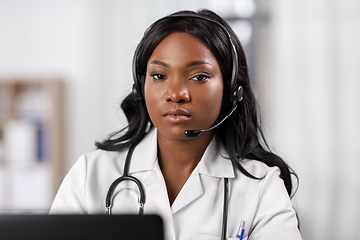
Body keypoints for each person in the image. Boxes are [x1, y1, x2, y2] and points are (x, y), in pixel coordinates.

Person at [50, 9, 302, 240]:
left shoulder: (261, 186)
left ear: (231, 91)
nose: (176, 93)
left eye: (199, 76)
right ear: (140, 87)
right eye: (159, 76)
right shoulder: (89, 175)